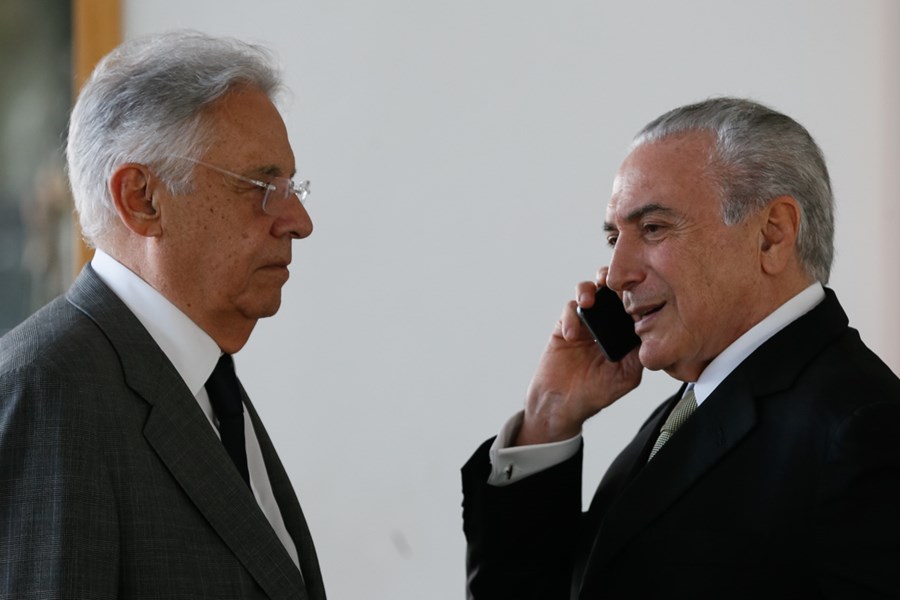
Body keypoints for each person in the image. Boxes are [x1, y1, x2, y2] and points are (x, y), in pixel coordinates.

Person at [462, 97, 900, 598]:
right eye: (614, 239)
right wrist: (549, 417)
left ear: (771, 236)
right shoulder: (690, 406)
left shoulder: (864, 429)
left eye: (653, 228)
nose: (617, 274)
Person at [0, 31, 326, 599]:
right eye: (261, 186)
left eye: (291, 186)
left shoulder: (201, 378)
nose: (298, 221)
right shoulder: (51, 392)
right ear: (142, 199)